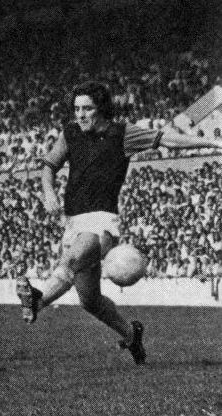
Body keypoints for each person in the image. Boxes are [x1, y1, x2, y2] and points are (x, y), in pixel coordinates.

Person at [17, 81, 222, 365]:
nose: (80, 115)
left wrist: (212, 143)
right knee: (90, 301)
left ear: (101, 109)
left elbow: (167, 139)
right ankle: (130, 334)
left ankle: (38, 299)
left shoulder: (122, 134)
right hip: (74, 222)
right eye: (77, 109)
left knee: (74, 257)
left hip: (103, 221)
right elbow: (49, 166)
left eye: (87, 108)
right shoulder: (70, 133)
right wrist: (48, 192)